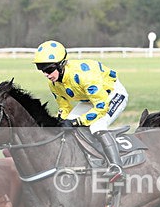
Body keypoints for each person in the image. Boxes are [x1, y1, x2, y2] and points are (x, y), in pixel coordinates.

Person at [32, 40, 128, 182]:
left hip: (111, 95)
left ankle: (117, 167)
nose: (46, 74)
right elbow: (64, 108)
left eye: (49, 69)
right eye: (42, 70)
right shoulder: (54, 83)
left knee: (96, 126)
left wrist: (78, 121)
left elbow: (101, 106)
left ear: (61, 64)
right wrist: (59, 122)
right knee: (67, 127)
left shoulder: (84, 76)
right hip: (90, 100)